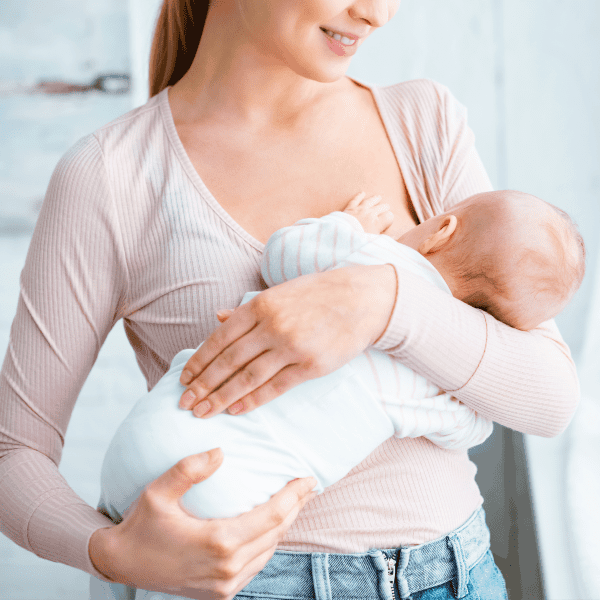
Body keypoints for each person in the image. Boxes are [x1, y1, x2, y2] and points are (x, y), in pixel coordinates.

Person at [0, 1, 582, 599]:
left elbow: (552, 399)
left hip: (453, 576)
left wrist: (382, 300)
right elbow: (13, 452)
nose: (376, 14)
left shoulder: (421, 119)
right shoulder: (112, 176)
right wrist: (111, 553)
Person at [95, 189, 583, 599]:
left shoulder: (369, 255)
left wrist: (348, 225)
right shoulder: (436, 382)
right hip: (232, 507)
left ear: (442, 230)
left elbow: (283, 252)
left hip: (154, 440)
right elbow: (466, 428)